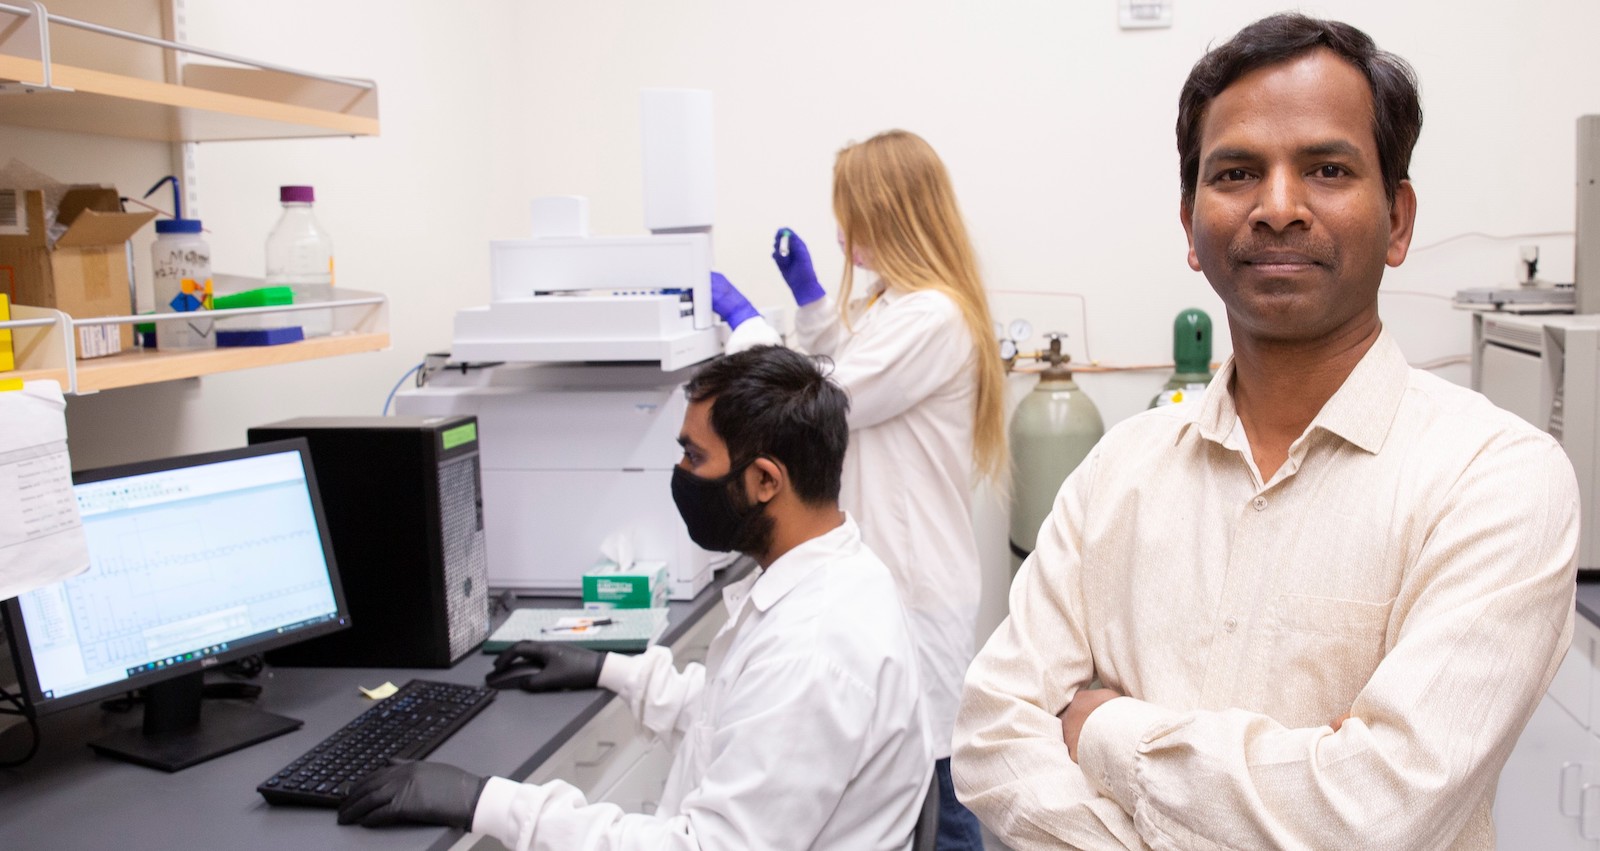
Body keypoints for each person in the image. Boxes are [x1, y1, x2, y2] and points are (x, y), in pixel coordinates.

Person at [951, 13, 1579, 850]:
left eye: (1326, 168)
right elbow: (993, 735)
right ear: (1189, 223)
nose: (1278, 208)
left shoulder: (1496, 480)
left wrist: (1101, 730)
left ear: (1397, 219)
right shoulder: (1119, 473)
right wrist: (1299, 775)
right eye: (1238, 171)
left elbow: (1375, 811)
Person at [338, 345, 934, 850]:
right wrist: (615, 670)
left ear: (764, 481)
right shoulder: (830, 575)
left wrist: (487, 801)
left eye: (694, 456)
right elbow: (737, 715)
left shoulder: (815, 647)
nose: (680, 471)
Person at [711, 129, 1005, 849]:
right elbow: (844, 358)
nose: (840, 232)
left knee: (935, 793)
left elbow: (824, 401)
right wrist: (811, 302)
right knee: (905, 777)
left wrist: (748, 327)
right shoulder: (896, 306)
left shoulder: (931, 315)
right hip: (900, 578)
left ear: (891, 214)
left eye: (851, 214)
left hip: (914, 584)